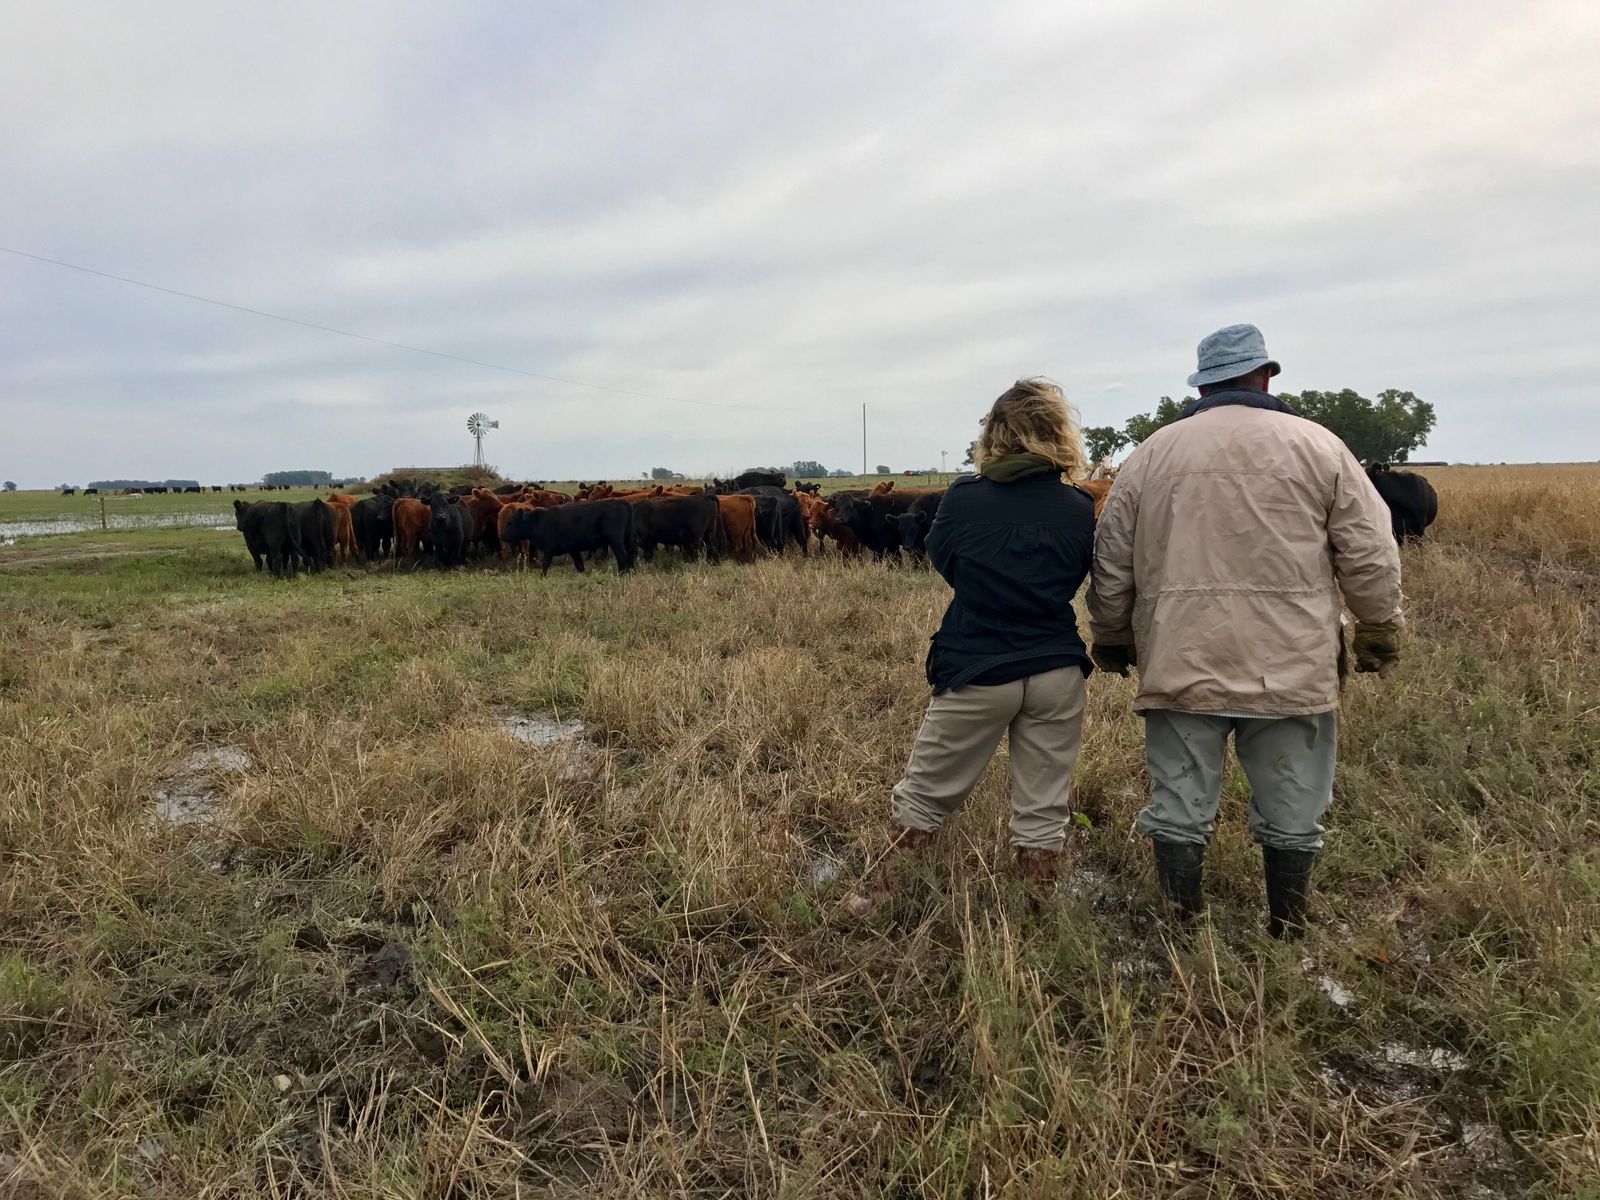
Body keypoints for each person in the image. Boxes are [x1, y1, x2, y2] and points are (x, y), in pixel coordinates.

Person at [1087, 324, 1404, 938]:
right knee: (1293, 802)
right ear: (1265, 376)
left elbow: (1112, 558)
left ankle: (1181, 927)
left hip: (1181, 654)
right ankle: (1286, 928)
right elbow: (1369, 550)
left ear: (1202, 383)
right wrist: (1378, 624)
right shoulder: (1320, 446)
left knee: (1179, 803)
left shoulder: (1151, 454)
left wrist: (1111, 633)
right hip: (1292, 659)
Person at [846, 378, 1097, 917]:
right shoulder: (1077, 506)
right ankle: (1034, 911)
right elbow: (1080, 571)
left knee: (924, 795)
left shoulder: (964, 498)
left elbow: (944, 560)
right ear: (1057, 433)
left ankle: (874, 900)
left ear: (995, 436)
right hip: (1057, 668)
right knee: (1043, 806)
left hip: (979, 667)